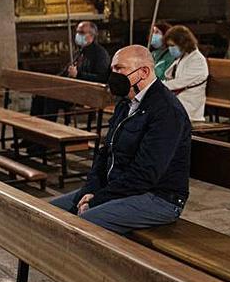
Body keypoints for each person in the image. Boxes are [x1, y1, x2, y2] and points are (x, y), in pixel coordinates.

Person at [51, 45, 190, 233]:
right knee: (48, 212)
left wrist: (99, 199)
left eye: (119, 69)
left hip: (159, 197)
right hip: (118, 189)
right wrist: (90, 189)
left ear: (144, 72)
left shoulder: (166, 111)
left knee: (84, 224)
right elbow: (104, 153)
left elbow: (145, 173)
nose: (113, 75)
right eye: (112, 69)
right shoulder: (125, 104)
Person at [29, 21, 111, 122]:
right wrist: (50, 81)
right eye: (77, 32)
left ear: (91, 35)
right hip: (73, 90)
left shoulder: (100, 54)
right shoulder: (79, 52)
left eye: (81, 32)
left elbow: (102, 78)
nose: (78, 35)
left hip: (88, 93)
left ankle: (48, 132)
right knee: (40, 95)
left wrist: (78, 74)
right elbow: (65, 72)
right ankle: (33, 132)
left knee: (51, 99)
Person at [162, 25, 209, 122]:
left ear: (183, 43)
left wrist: (159, 85)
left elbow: (179, 83)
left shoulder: (197, 60)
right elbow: (169, 75)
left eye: (173, 45)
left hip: (189, 106)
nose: (171, 49)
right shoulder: (184, 56)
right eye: (169, 46)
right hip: (179, 100)